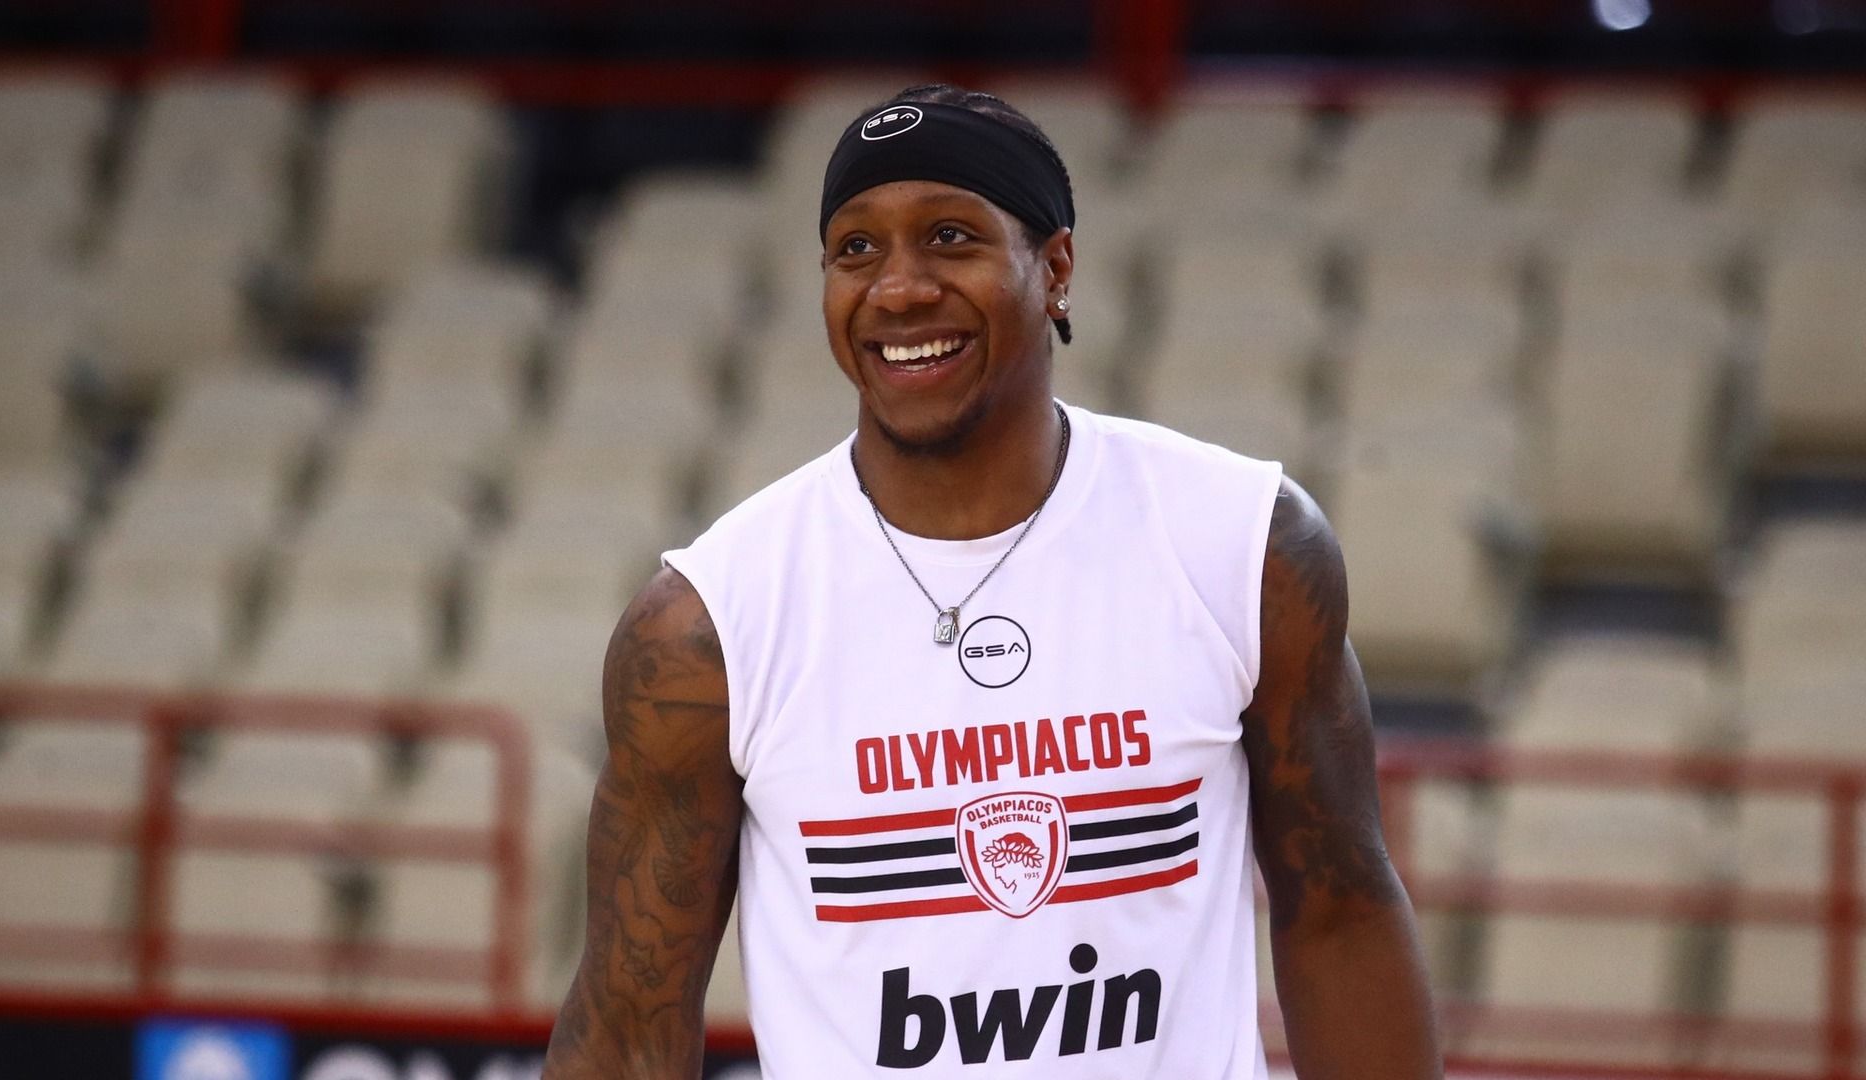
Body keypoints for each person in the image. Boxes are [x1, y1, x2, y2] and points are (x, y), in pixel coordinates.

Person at [541, 84, 1441, 1079]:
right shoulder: (707, 626)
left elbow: (1340, 913)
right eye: (856, 249)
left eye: (950, 237)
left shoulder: (1243, 545)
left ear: (1056, 269)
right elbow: (630, 1022)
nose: (898, 289)